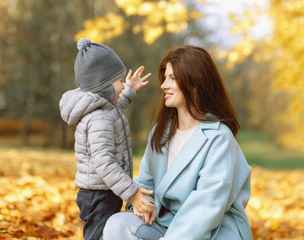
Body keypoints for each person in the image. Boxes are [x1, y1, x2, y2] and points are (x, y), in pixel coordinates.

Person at [102, 46, 253, 240]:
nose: (164, 85)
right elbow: (146, 182)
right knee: (117, 225)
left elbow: (206, 208)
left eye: (172, 78)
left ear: (195, 83)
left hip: (210, 233)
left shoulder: (219, 138)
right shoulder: (160, 132)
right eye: (165, 78)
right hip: (164, 226)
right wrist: (144, 202)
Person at [59, 38, 155, 240]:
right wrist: (132, 193)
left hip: (105, 190)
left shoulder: (102, 107)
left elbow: (115, 110)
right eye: (119, 81)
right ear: (103, 85)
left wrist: (128, 90)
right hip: (99, 195)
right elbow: (104, 162)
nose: (122, 85)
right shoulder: (98, 118)